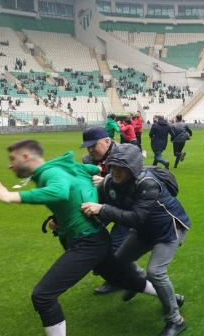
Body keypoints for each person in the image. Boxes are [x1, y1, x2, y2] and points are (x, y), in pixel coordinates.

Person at [0, 140, 155, 336]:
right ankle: (171, 297)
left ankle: (166, 296)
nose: (10, 165)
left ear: (26, 157)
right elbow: (85, 170)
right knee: (121, 277)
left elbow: (59, 192)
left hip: (88, 242)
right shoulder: (62, 167)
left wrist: (13, 197)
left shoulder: (49, 173)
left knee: (43, 296)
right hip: (96, 238)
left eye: (12, 159)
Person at [82, 144, 191, 336]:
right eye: (113, 166)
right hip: (143, 230)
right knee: (119, 263)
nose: (115, 172)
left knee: (155, 272)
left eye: (121, 168)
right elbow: (103, 210)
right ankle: (149, 287)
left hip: (169, 229)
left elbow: (135, 217)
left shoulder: (147, 183)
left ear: (132, 168)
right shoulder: (108, 183)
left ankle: (175, 320)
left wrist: (103, 209)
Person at [81, 126, 129, 295]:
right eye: (88, 146)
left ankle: (116, 280)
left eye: (94, 145)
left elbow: (136, 183)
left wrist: (106, 181)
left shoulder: (125, 153)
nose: (91, 150)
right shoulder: (87, 160)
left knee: (117, 244)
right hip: (102, 205)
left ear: (107, 141)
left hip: (126, 206)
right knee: (86, 234)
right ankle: (104, 265)